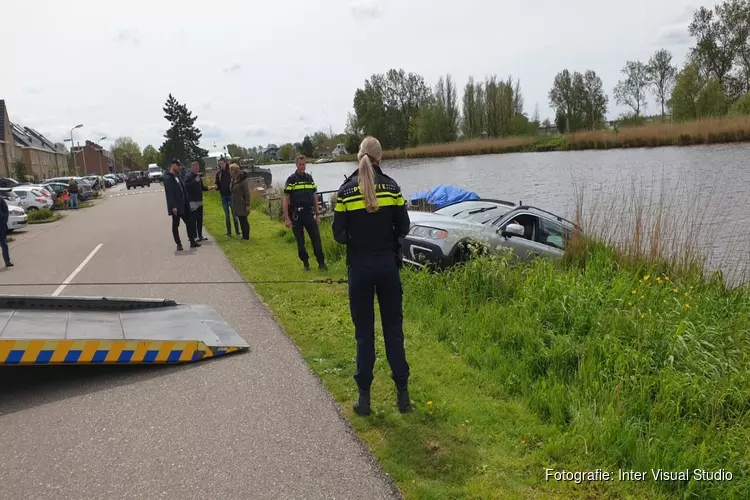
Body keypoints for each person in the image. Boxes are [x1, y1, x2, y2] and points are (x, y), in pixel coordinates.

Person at [332, 136, 411, 416]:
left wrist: (357, 236)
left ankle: (364, 400)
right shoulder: (392, 187)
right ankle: (403, 397)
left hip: (360, 270)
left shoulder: (344, 192)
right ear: (380, 158)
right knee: (393, 333)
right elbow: (404, 227)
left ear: (359, 156)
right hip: (388, 268)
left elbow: (339, 236)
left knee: (364, 335)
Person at [283, 155, 327, 271]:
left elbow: (314, 196)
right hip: (296, 216)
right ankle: (306, 263)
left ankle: (321, 263)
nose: (302, 167)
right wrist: (286, 218)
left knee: (316, 239)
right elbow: (286, 198)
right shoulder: (291, 180)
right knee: (300, 242)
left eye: (304, 164)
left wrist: (317, 215)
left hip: (309, 214)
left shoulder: (309, 178)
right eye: (300, 164)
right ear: (296, 165)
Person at [163, 159, 200, 250]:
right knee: (176, 225)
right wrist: (173, 206)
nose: (180, 168)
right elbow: (169, 193)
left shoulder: (178, 176)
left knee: (189, 222)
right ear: (173, 166)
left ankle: (192, 241)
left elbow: (183, 188)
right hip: (176, 206)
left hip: (184, 204)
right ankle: (178, 243)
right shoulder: (168, 178)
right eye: (178, 166)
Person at [184, 161, 212, 241]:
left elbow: (202, 187)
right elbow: (187, 187)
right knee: (193, 219)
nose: (197, 169)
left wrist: (209, 188)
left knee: (200, 219)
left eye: (198, 167)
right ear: (192, 167)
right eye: (195, 167)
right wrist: (195, 181)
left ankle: (200, 235)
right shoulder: (188, 176)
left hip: (199, 200)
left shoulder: (198, 176)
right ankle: (194, 236)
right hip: (192, 201)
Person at [215, 158, 240, 237]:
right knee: (227, 215)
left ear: (225, 163)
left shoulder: (230, 172)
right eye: (220, 164)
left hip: (231, 195)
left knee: (234, 214)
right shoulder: (218, 173)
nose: (221, 165)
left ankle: (238, 232)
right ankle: (229, 233)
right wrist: (215, 187)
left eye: (222, 163)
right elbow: (217, 184)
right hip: (223, 196)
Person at [229, 163, 251, 240]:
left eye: (230, 170)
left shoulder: (243, 180)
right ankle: (243, 235)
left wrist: (248, 205)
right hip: (236, 203)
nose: (229, 172)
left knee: (244, 220)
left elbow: (247, 193)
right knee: (240, 220)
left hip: (242, 203)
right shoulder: (232, 180)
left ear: (234, 171)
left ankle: (246, 236)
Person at [0, 195, 13, 268]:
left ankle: (7, 261)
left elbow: (6, 211)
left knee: (4, 243)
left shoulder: (0, 199)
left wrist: (4, 221)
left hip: (1, 224)